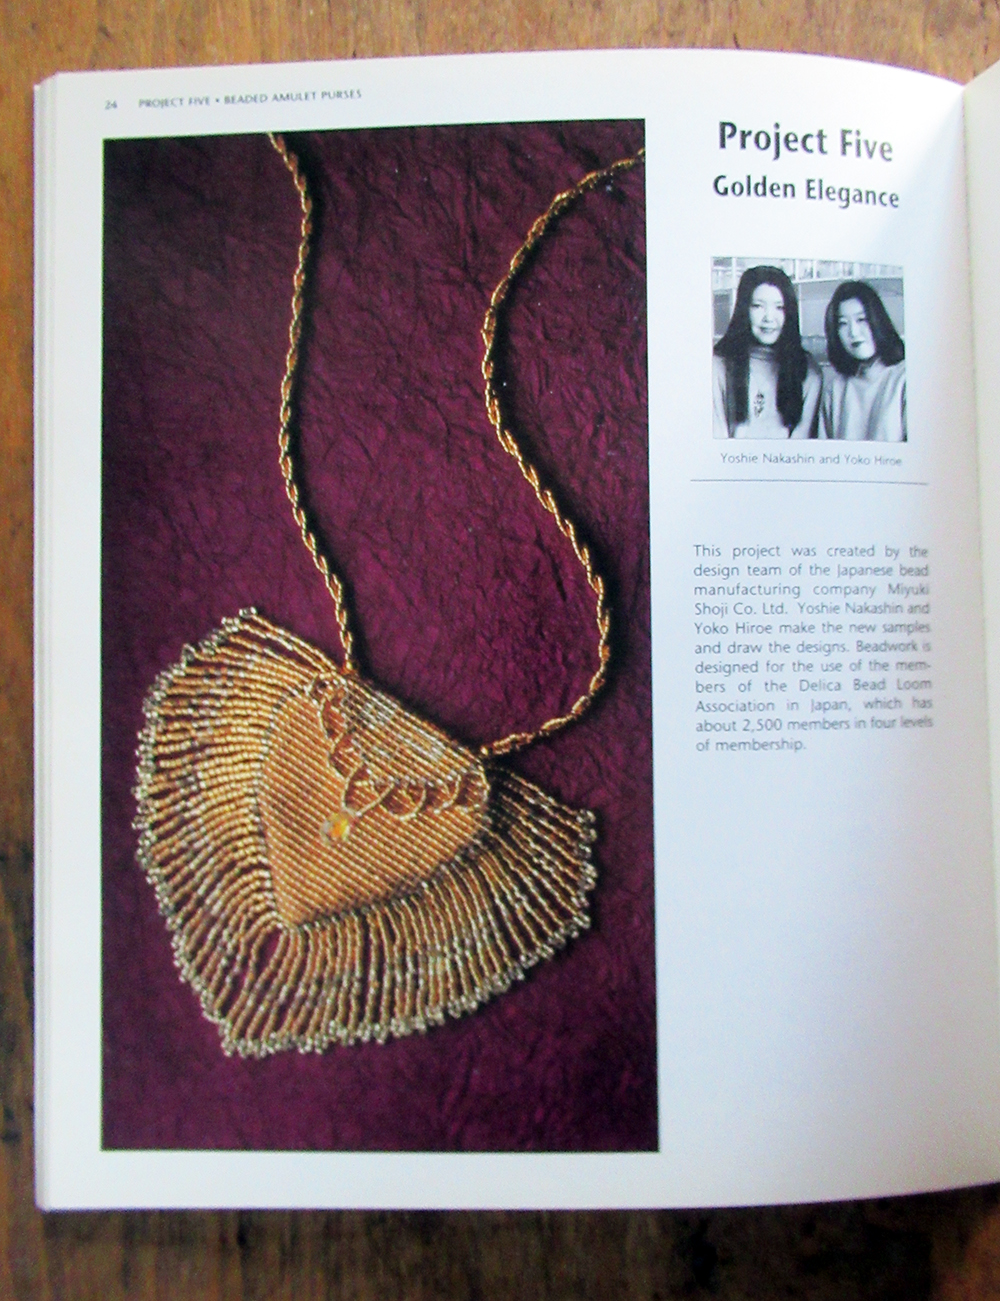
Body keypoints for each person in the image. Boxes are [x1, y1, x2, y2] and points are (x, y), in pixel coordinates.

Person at [713, 265, 821, 439]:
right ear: (744, 310)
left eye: (780, 307)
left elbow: (801, 441)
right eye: (758, 306)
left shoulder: (807, 370)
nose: (769, 318)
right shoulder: (718, 365)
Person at [819, 281, 906, 442]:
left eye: (862, 319)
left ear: (878, 320)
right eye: (843, 324)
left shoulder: (905, 379)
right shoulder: (835, 390)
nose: (853, 332)